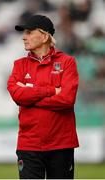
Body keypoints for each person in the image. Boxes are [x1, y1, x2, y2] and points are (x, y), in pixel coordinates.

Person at [7, 14, 79, 179]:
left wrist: (30, 95)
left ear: (45, 36)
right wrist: (52, 91)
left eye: (30, 32)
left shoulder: (68, 62)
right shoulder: (19, 65)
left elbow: (67, 100)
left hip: (61, 144)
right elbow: (17, 95)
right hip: (29, 145)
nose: (24, 37)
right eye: (24, 33)